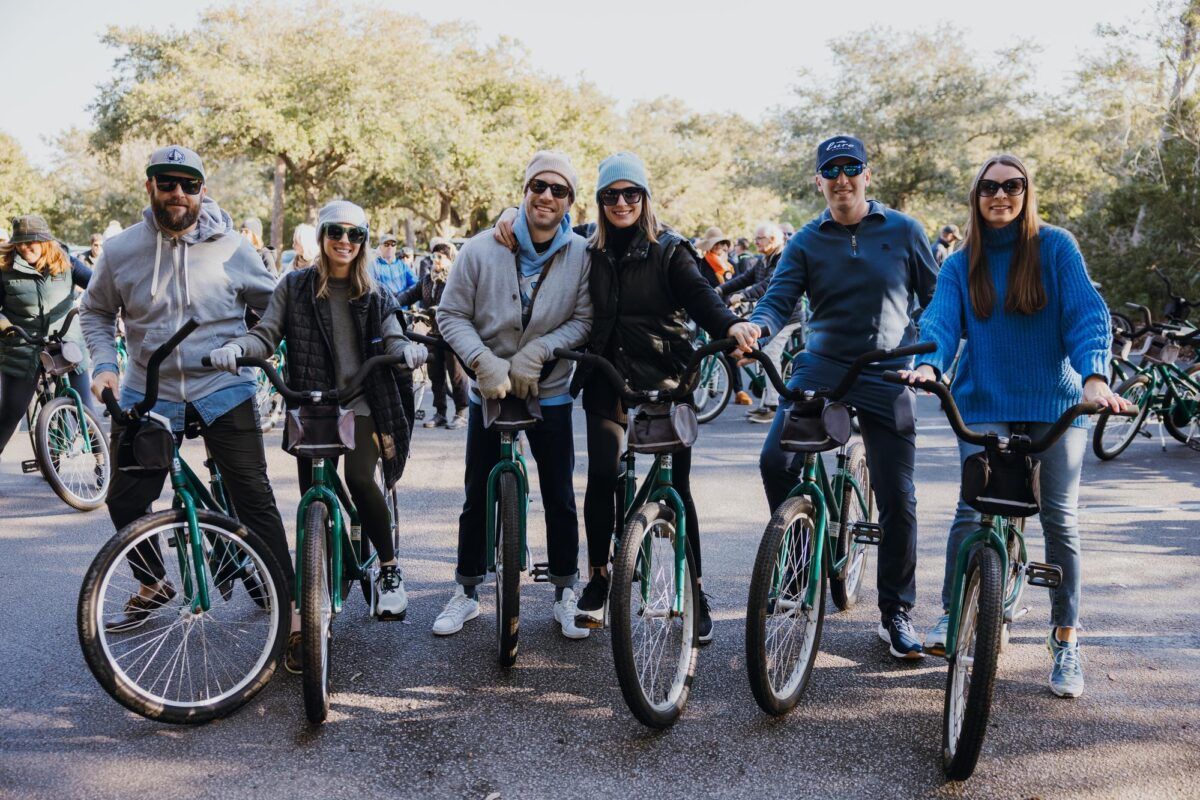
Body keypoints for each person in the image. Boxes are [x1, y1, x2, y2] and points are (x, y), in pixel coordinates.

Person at [896, 153, 1127, 697]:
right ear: (975, 197)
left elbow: (1086, 315)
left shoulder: (1055, 247)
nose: (1000, 195)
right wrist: (929, 363)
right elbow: (940, 319)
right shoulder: (960, 262)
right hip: (985, 399)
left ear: (1027, 192)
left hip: (1054, 400)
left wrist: (1095, 376)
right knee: (971, 508)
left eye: (1012, 186)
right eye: (988, 188)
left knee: (1060, 519)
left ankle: (1065, 638)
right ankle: (953, 615)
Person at [79, 145, 297, 664]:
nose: (178, 193)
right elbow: (95, 313)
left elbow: (273, 311)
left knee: (253, 498)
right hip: (145, 392)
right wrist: (103, 366)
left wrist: (251, 350)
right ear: (149, 186)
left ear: (203, 190)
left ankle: (291, 614)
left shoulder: (233, 249)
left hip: (223, 388)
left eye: (189, 184)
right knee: (126, 499)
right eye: (167, 182)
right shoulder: (119, 250)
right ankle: (153, 582)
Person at [532, 152, 758, 642]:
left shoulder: (670, 250)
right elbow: (533, 230)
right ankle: (599, 577)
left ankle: (693, 590)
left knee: (677, 490)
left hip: (667, 379)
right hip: (606, 377)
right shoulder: (586, 250)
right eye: (610, 195)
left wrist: (731, 325)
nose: (621, 203)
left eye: (630, 193)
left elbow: (703, 299)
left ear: (645, 198)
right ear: (597, 201)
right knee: (601, 479)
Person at [747, 134, 938, 660]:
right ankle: (796, 567)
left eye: (851, 167)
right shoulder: (806, 239)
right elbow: (778, 301)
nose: (841, 178)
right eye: (831, 170)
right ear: (819, 181)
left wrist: (925, 357)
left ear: (867, 175)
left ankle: (895, 611)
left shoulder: (903, 230)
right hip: (822, 367)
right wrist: (755, 328)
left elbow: (937, 299)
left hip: (888, 373)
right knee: (775, 460)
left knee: (899, 495)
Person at [212, 199, 428, 622]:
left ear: (363, 242)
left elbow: (392, 336)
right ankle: (316, 571)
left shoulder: (376, 292)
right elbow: (266, 333)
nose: (344, 241)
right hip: (312, 404)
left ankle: (389, 570)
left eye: (355, 234)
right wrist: (238, 348)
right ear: (322, 235)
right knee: (313, 488)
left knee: (361, 478)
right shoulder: (294, 287)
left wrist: (407, 351)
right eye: (335, 232)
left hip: (361, 401)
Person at [434, 150, 593, 639]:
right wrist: (482, 361)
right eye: (538, 187)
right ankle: (466, 591)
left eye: (558, 190)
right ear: (523, 192)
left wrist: (542, 349)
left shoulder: (583, 255)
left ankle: (566, 591)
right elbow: (450, 314)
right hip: (491, 389)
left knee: (561, 494)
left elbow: (584, 320)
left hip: (550, 391)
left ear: (570, 201)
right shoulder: (481, 248)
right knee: (476, 494)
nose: (546, 196)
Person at [0, 216, 95, 456]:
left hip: (66, 343)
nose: (24, 248)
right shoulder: (5, 268)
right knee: (11, 412)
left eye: (30, 242)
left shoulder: (66, 262)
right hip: (23, 346)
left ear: (46, 242)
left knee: (86, 410)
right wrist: (4, 324)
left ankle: (101, 462)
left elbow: (98, 285)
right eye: (19, 243)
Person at [718, 222, 806, 423]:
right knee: (754, 342)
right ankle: (766, 401)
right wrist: (721, 290)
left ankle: (774, 405)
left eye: (760, 238)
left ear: (773, 240)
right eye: (756, 238)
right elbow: (745, 278)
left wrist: (743, 295)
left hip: (786, 317)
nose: (755, 242)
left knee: (770, 353)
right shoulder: (764, 259)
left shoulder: (783, 258)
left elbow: (769, 284)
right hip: (770, 315)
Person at [397, 240, 468, 430]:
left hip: (452, 335)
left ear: (448, 259)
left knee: (457, 376)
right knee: (435, 376)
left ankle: (461, 413)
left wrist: (438, 309)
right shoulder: (427, 280)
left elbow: (458, 300)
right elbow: (409, 295)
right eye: (434, 256)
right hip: (432, 334)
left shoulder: (455, 278)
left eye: (440, 257)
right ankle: (440, 413)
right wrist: (393, 302)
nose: (435, 260)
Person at [371, 231, 417, 300]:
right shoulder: (374, 266)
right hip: (383, 308)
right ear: (380, 247)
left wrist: (404, 296)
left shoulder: (403, 265)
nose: (390, 247)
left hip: (403, 308)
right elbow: (370, 289)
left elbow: (415, 285)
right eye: (386, 244)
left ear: (396, 247)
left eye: (393, 244)